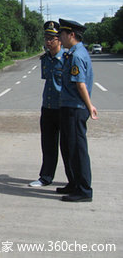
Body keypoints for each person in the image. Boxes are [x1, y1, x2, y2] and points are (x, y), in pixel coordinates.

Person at [57, 18, 98, 202]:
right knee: (68, 148)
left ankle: (84, 190)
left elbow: (80, 84)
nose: (59, 38)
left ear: (71, 35)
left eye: (62, 35)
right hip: (69, 107)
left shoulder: (76, 56)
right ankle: (74, 183)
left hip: (75, 108)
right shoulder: (72, 53)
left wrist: (89, 106)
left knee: (77, 150)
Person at [29, 21, 65, 187]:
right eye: (46, 38)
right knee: (48, 145)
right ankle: (46, 177)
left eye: (52, 38)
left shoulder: (66, 59)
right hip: (48, 107)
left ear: (59, 39)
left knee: (68, 147)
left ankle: (73, 180)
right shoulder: (46, 59)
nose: (48, 41)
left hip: (64, 108)